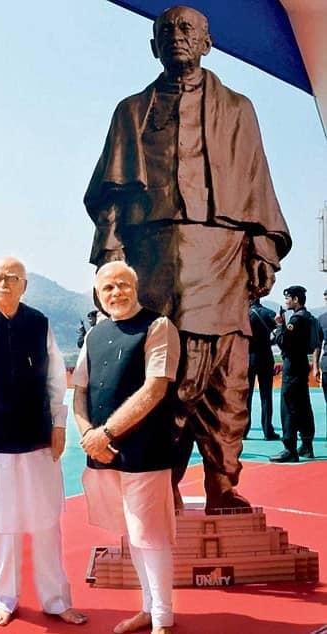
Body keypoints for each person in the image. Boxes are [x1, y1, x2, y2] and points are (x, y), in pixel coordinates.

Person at [84, 5, 291, 512]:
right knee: (161, 371)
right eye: (166, 32)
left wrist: (261, 245)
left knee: (226, 371)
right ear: (154, 47)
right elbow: (109, 194)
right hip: (152, 257)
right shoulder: (132, 110)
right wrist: (111, 247)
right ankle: (164, 482)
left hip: (222, 255)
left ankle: (223, 482)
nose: (176, 38)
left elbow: (256, 181)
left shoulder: (239, 109)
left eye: (187, 30)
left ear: (207, 42)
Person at [0, 256, 86, 627]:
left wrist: (59, 425)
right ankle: (5, 598)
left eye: (11, 278)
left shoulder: (40, 323)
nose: (3, 284)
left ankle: (56, 600)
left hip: (38, 439)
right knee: (0, 525)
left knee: (46, 523)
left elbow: (56, 379)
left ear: (25, 285)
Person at [73, 261, 180, 634]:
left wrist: (106, 433)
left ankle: (163, 620)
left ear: (136, 288)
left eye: (122, 285)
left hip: (146, 451)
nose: (116, 293)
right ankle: (148, 609)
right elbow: (81, 391)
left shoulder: (159, 327)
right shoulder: (94, 335)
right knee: (133, 535)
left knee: (150, 535)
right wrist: (88, 434)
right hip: (104, 453)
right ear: (98, 295)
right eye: (107, 288)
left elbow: (155, 388)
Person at [270, 286, 316, 462]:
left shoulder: (296, 320)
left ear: (296, 299)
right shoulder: (309, 317)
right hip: (302, 364)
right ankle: (306, 444)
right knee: (303, 405)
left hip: (292, 365)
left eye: (288, 298)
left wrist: (280, 325)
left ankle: (290, 448)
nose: (286, 301)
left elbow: (284, 342)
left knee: (288, 407)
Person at [245, 299, 279, 440]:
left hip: (248, 358)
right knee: (266, 396)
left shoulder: (244, 314)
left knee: (246, 397)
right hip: (266, 356)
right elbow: (278, 335)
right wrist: (268, 341)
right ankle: (267, 430)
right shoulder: (270, 313)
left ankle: (244, 431)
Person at [314, 290, 327, 426]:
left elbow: (317, 345)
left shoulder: (322, 319)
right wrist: (315, 367)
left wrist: (316, 367)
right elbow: (317, 344)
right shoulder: (321, 319)